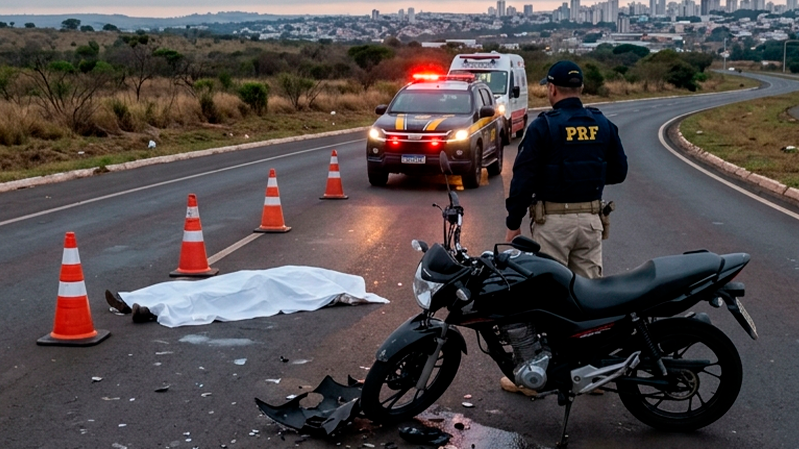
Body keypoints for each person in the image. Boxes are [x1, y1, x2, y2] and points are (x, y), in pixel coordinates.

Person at [501, 60, 628, 395]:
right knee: (590, 299)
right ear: (581, 89)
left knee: (547, 298)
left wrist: (513, 223)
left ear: (552, 89)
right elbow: (619, 172)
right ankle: (593, 373)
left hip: (553, 223)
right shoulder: (602, 124)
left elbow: (524, 178)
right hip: (591, 221)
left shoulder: (544, 127)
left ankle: (536, 377)